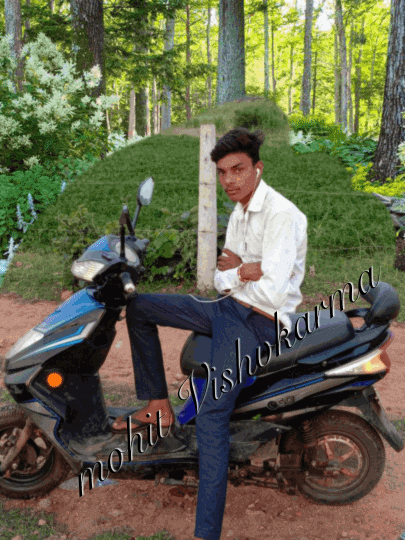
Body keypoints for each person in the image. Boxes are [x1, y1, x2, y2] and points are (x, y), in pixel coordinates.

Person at [112, 127, 307, 540]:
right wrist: (246, 271)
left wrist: (240, 271)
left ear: (257, 168)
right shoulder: (239, 212)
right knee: (140, 307)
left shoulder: (282, 215)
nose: (229, 180)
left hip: (258, 322)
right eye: (222, 172)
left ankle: (206, 534)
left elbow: (273, 292)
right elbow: (220, 279)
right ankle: (158, 405)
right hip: (227, 307)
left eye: (238, 169)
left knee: (211, 416)